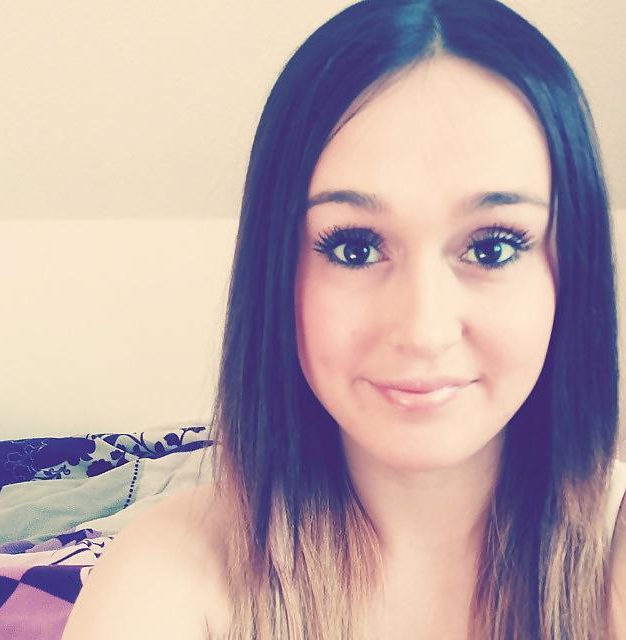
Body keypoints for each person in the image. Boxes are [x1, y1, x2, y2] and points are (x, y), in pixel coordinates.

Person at [62, 0, 624, 638]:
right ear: (275, 271)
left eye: (492, 248)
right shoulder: (167, 576)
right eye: (355, 248)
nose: (423, 331)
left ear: (573, 269)